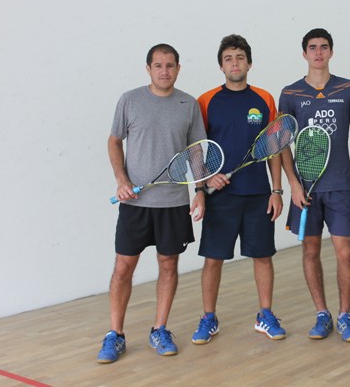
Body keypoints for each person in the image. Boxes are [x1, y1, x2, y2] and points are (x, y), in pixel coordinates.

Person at [98, 43, 208, 363]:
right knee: (123, 267)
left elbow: (196, 150)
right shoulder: (130, 100)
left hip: (173, 202)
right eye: (158, 65)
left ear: (178, 68)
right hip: (135, 203)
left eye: (170, 65)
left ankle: (160, 329)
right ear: (148, 68)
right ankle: (115, 334)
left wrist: (200, 190)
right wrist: (121, 179)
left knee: (168, 265)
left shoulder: (188, 104)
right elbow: (114, 141)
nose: (164, 71)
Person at [191, 34, 286, 344]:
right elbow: (196, 148)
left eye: (240, 58)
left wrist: (277, 191)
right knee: (213, 259)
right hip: (221, 197)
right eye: (228, 59)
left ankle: (265, 315)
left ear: (249, 63)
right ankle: (208, 317)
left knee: (263, 256)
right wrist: (205, 182)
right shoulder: (206, 101)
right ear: (221, 66)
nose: (235, 63)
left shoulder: (264, 99)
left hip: (258, 194)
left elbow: (273, 148)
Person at [279, 28, 350, 342]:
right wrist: (293, 184)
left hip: (340, 186)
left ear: (331, 52)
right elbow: (282, 144)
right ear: (304, 53)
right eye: (312, 48)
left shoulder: (348, 88)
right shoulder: (290, 93)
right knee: (310, 251)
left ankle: (345, 316)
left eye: (323, 47)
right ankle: (322, 314)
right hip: (306, 190)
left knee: (345, 253)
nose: (318, 52)